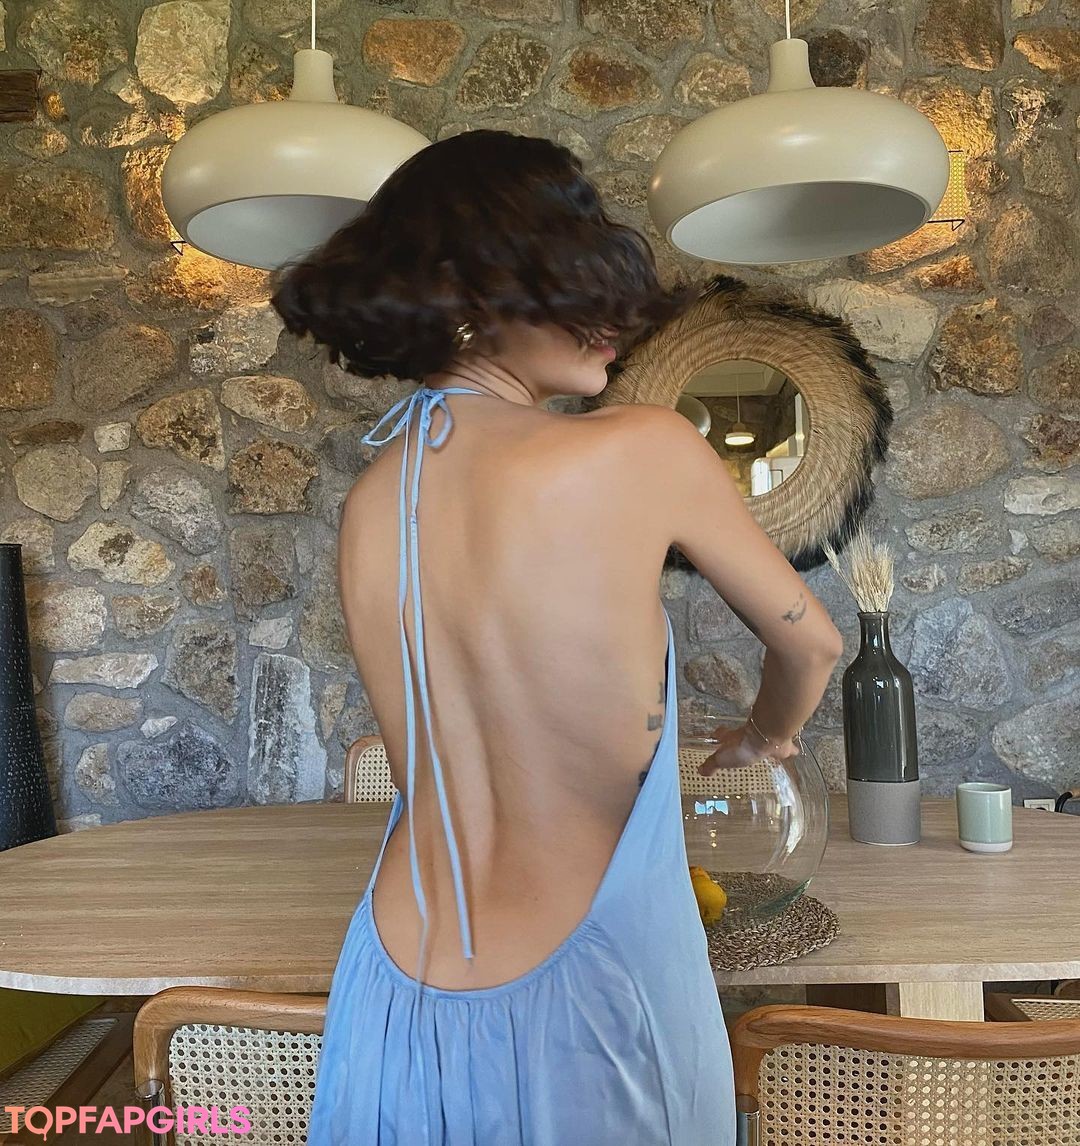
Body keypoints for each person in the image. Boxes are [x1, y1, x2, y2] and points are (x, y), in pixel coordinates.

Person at [271, 129, 842, 1146]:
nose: (613, 319)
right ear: (469, 293)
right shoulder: (645, 448)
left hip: (394, 987)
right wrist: (768, 735)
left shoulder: (371, 501)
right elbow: (812, 646)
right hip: (599, 987)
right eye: (577, 281)